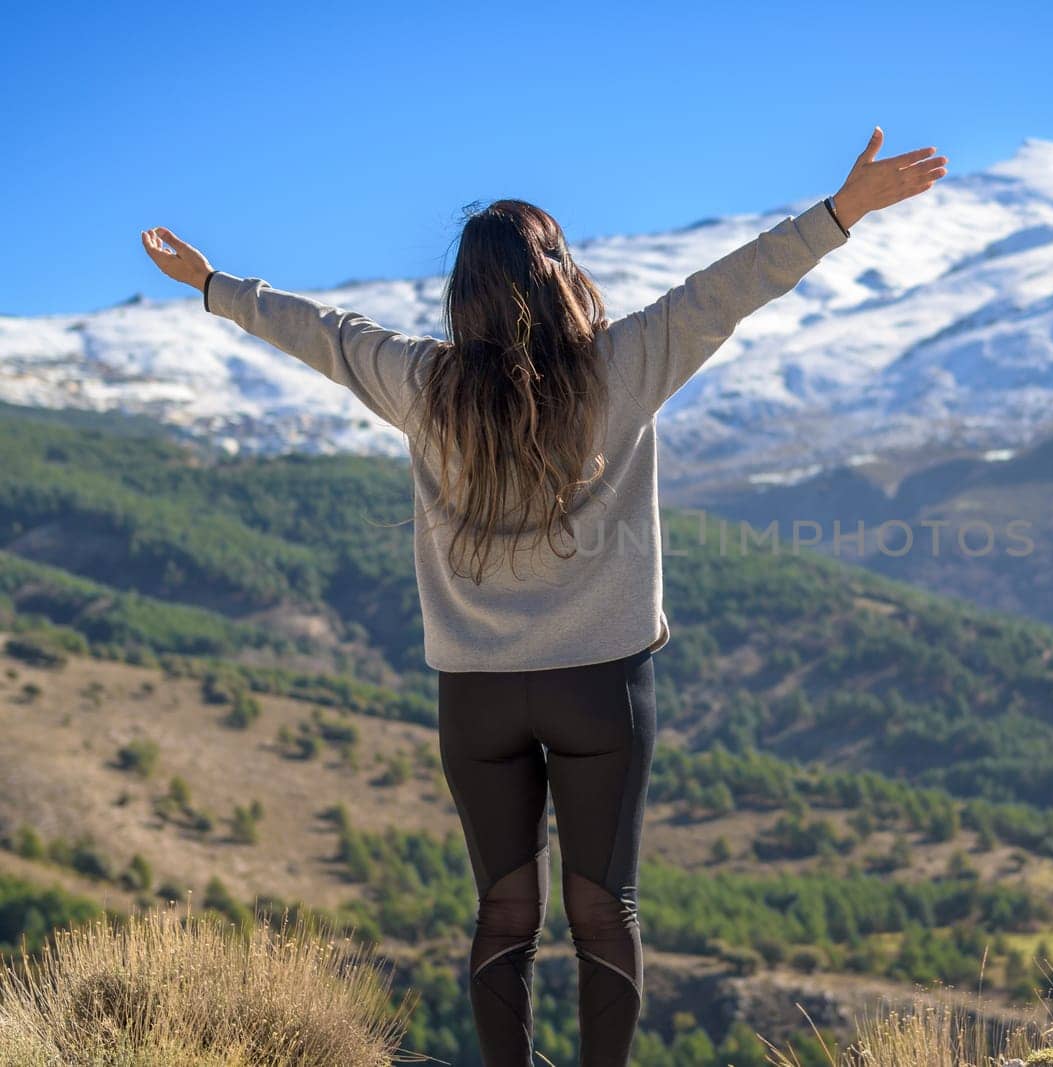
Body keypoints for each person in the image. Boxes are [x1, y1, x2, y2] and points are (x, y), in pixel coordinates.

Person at [139, 126, 948, 1066]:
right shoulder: (625, 364)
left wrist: (213, 286)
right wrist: (843, 210)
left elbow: (324, 335)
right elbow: (734, 285)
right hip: (602, 687)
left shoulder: (424, 385)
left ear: (463, 295)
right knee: (606, 909)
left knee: (504, 913)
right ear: (560, 272)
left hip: (475, 694)